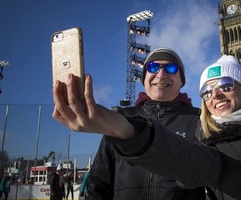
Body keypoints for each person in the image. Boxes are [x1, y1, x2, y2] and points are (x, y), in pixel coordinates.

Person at [53, 55, 241, 200]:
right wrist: (124, 129)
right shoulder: (214, 141)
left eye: (226, 86)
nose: (215, 95)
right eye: (208, 91)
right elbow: (183, 159)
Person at [82, 48, 206, 199]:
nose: (161, 74)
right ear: (144, 78)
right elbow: (99, 182)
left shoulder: (199, 119)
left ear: (181, 81)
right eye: (153, 67)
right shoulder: (122, 118)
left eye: (171, 68)